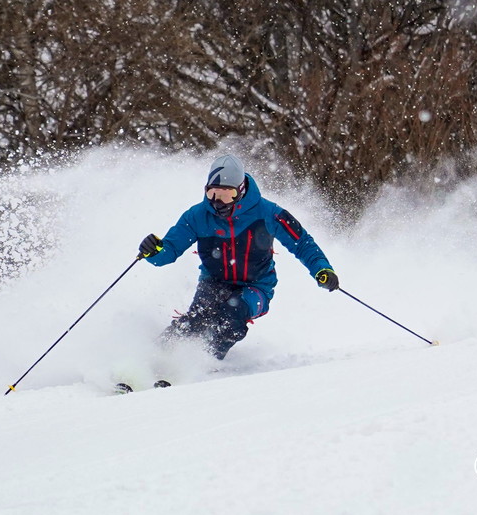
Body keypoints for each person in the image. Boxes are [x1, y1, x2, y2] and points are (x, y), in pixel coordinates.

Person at [137, 153, 339, 360]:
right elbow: (168, 251)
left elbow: (302, 243)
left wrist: (322, 269)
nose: (218, 203)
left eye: (227, 195)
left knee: (231, 315)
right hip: (213, 282)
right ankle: (151, 357)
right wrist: (153, 251)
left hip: (256, 286)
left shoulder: (269, 213)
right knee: (196, 320)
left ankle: (200, 364)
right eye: (212, 194)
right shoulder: (197, 216)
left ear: (241, 191)